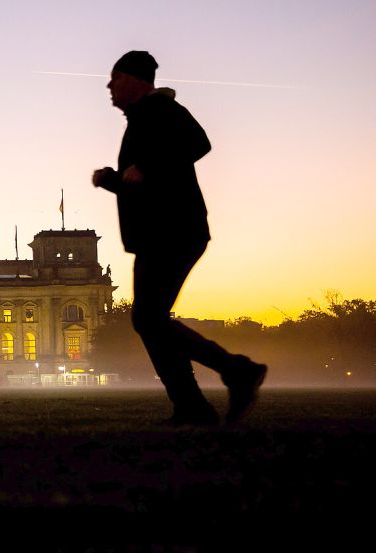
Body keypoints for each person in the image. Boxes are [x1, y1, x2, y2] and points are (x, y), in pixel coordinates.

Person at [92, 50, 267, 425]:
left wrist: (146, 167)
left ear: (137, 80)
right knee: (150, 319)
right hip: (159, 232)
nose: (109, 86)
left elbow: (199, 144)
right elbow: (145, 183)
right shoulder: (142, 118)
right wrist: (113, 179)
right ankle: (192, 405)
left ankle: (234, 372)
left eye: (115, 78)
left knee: (149, 319)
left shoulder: (161, 109)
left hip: (173, 230)